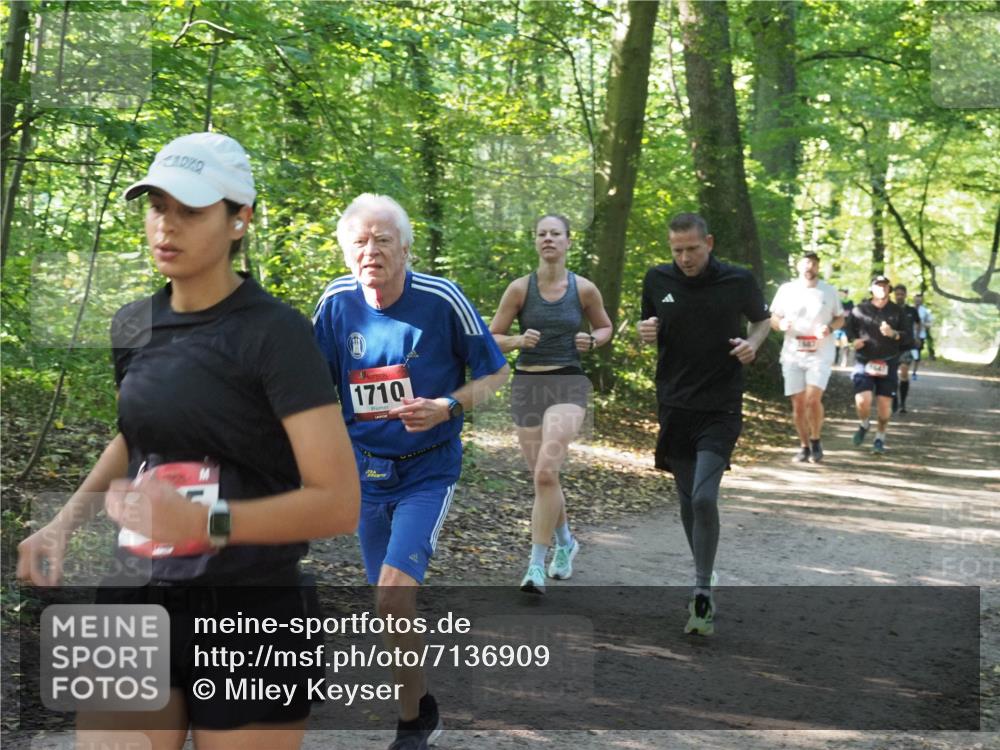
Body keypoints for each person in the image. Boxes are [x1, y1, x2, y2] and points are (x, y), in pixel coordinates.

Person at [16, 132, 361, 749]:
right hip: (133, 592)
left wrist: (210, 523)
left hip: (249, 609)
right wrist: (63, 524)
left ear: (239, 219)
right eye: (157, 207)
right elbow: (139, 436)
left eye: (191, 210)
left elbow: (337, 501)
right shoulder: (133, 324)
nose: (166, 227)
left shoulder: (277, 335)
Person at [312, 194, 509, 750]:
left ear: (405, 247)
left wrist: (449, 405)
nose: (370, 251)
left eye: (382, 240)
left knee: (394, 597)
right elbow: (308, 386)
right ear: (346, 251)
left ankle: (409, 728)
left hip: (428, 471)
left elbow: (495, 375)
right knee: (386, 608)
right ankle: (419, 710)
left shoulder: (442, 299)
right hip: (364, 473)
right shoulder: (336, 304)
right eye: (359, 242)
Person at [638, 213, 770, 636]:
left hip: (720, 406)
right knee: (685, 499)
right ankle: (705, 572)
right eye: (676, 250)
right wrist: (645, 330)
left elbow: (762, 319)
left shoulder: (738, 280)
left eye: (692, 249)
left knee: (702, 499)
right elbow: (650, 325)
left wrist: (752, 343)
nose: (684, 258)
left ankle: (702, 594)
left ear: (708, 242)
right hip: (675, 404)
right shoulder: (657, 280)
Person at [488, 214, 613, 594]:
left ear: (568, 242)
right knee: (545, 479)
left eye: (555, 234)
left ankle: (535, 567)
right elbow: (492, 336)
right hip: (527, 383)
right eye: (541, 234)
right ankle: (566, 543)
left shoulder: (585, 289)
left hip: (568, 383)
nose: (548, 239)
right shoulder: (520, 289)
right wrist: (516, 342)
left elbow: (605, 326)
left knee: (546, 472)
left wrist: (593, 341)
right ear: (535, 241)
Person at [770, 252, 844, 463]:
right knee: (799, 404)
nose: (809, 267)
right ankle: (803, 446)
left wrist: (829, 328)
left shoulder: (828, 291)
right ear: (798, 266)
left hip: (820, 353)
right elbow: (774, 317)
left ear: (818, 267)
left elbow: (840, 318)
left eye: (813, 264)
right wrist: (780, 324)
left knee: (813, 399)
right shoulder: (787, 290)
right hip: (793, 353)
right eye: (805, 263)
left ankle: (816, 439)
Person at [844, 275, 914, 455]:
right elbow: (848, 331)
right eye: (878, 285)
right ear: (871, 289)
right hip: (864, 360)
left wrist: (893, 334)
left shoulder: (898, 311)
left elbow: (908, 337)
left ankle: (879, 439)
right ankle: (864, 424)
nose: (882, 288)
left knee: (884, 410)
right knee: (863, 401)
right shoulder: (860, 309)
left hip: (889, 361)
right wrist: (854, 341)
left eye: (885, 286)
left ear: (889, 289)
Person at [892, 284, 921, 414]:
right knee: (891, 376)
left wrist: (917, 336)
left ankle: (902, 403)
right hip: (891, 346)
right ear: (894, 295)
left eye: (901, 294)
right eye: (897, 294)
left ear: (905, 295)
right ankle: (894, 400)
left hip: (906, 345)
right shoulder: (889, 309)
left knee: (904, 373)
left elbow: (918, 322)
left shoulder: (911, 310)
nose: (899, 296)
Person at [912, 292, 934, 377]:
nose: (918, 300)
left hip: (920, 336)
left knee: (917, 355)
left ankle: (914, 372)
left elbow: (930, 324)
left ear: (922, 300)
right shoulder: (909, 309)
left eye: (919, 298)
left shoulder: (925, 311)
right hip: (909, 335)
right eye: (916, 298)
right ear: (914, 299)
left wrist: (922, 324)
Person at [836, 289, 855, 366]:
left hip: (846, 328)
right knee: (836, 345)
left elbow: (852, 316)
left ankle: (844, 360)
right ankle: (835, 360)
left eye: (843, 293)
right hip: (837, 328)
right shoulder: (837, 303)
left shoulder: (850, 304)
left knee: (845, 345)